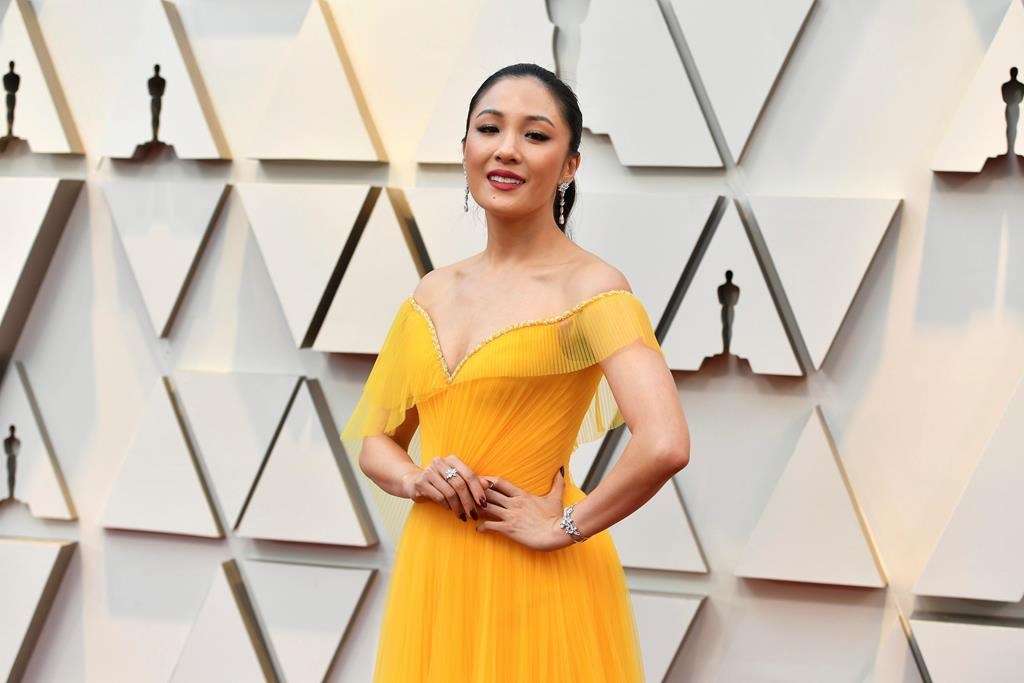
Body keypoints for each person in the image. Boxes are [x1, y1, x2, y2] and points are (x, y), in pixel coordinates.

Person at [341, 62, 690, 682]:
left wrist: (564, 526)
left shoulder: (593, 288)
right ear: (466, 148)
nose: (507, 149)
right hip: (435, 567)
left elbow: (664, 443)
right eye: (489, 128)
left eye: (535, 134)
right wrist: (418, 479)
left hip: (535, 572)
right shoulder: (432, 291)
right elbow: (376, 443)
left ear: (571, 164)